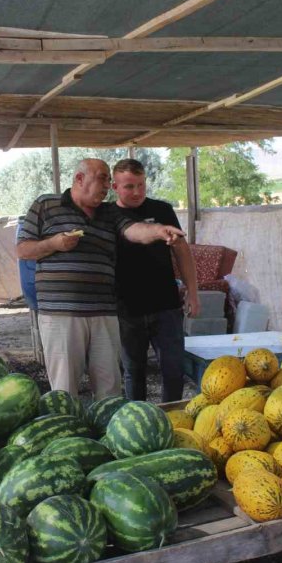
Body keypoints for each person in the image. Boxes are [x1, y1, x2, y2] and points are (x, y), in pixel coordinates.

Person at [16, 158, 185, 399]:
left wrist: (158, 231)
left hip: (104, 313)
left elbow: (133, 230)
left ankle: (108, 425)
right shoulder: (46, 205)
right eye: (102, 179)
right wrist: (54, 243)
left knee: (110, 390)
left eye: (108, 180)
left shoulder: (109, 212)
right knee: (64, 390)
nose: (107, 186)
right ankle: (68, 424)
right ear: (79, 178)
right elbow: (23, 250)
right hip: (61, 314)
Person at [111, 158, 200, 402]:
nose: (137, 192)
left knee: (173, 371)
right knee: (133, 373)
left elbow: (182, 252)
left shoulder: (162, 210)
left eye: (141, 185)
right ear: (114, 186)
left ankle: (173, 417)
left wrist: (193, 293)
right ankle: (137, 418)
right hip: (127, 309)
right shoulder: (108, 215)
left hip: (166, 306)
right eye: (129, 186)